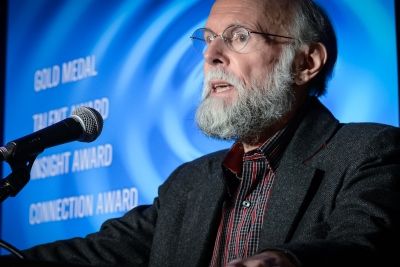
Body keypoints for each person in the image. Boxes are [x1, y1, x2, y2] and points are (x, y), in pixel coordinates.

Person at [4, 0, 400, 266]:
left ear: (305, 62)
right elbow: (97, 254)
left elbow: (363, 242)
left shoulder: (371, 151)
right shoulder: (188, 184)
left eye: (239, 36)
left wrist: (286, 259)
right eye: (209, 39)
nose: (211, 55)